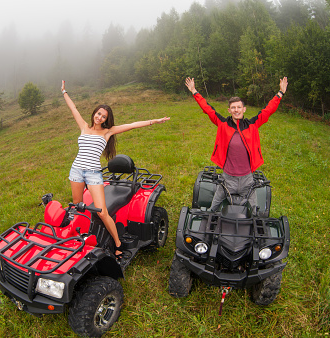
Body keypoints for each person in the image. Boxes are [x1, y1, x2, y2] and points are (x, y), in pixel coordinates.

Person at [61, 80, 170, 258]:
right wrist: (64, 92)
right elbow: (73, 109)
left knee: (102, 212)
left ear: (106, 119)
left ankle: (118, 244)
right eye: (98, 114)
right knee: (77, 207)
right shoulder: (84, 127)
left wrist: (155, 121)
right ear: (94, 114)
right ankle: (80, 239)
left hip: (93, 174)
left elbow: (133, 125)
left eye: (103, 116)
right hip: (76, 171)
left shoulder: (107, 132)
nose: (100, 118)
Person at [185, 76, 288, 212]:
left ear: (244, 109)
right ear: (229, 110)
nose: (236, 110)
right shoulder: (222, 124)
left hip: (247, 180)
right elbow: (207, 109)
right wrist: (194, 91)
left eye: (239, 107)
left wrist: (280, 93)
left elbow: (268, 110)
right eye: (233, 107)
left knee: (256, 214)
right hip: (227, 179)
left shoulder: (252, 124)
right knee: (212, 210)